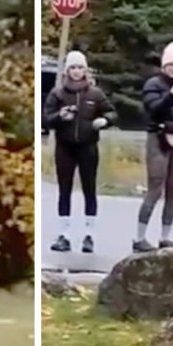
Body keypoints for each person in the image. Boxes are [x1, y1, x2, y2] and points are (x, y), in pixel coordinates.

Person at [42, 50, 115, 254]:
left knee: (89, 189)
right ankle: (63, 235)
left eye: (80, 67)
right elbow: (46, 119)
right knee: (64, 189)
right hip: (65, 147)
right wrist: (60, 116)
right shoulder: (58, 93)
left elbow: (111, 112)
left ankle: (88, 234)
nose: (76, 71)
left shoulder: (95, 94)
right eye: (72, 68)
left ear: (85, 70)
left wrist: (105, 121)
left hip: (88, 146)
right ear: (67, 70)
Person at [134, 41, 173, 252]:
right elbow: (153, 109)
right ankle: (139, 237)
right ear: (164, 65)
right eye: (171, 64)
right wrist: (172, 93)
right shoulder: (154, 84)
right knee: (155, 187)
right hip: (159, 139)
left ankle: (165, 236)